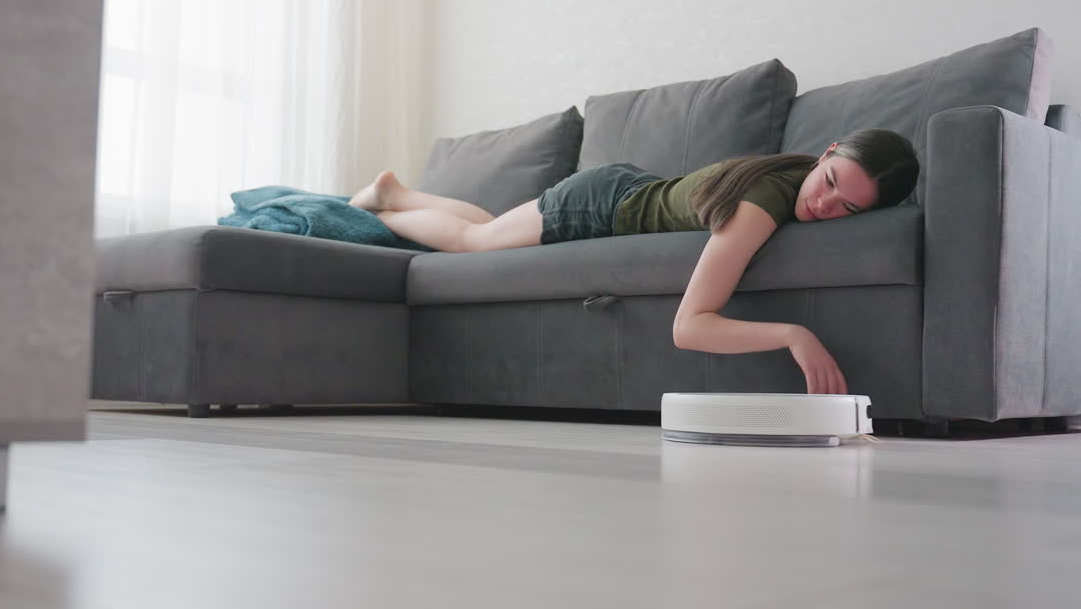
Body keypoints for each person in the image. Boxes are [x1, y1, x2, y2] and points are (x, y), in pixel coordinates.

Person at [350, 128, 920, 396]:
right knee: (473, 244)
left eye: (846, 209)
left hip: (627, 185)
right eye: (828, 183)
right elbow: (690, 327)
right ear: (828, 151)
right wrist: (795, 335)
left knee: (490, 228)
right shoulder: (760, 203)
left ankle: (398, 192)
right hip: (600, 205)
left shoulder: (792, 172)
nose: (822, 205)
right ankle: (378, 209)